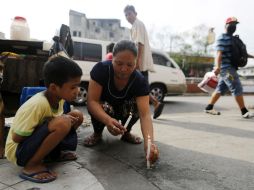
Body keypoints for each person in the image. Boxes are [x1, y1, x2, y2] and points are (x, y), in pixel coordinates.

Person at [5, 56, 84, 183]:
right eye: (73, 87)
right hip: (18, 151)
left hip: (32, 144)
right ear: (53, 88)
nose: (77, 91)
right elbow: (16, 138)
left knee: (77, 115)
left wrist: (53, 122)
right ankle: (31, 165)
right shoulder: (38, 104)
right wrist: (50, 123)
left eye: (78, 86)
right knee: (63, 123)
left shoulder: (59, 98)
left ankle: (54, 154)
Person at [83, 40, 159, 165]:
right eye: (119, 63)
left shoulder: (140, 80)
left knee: (136, 106)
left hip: (125, 110)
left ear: (136, 62)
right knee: (102, 106)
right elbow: (92, 102)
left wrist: (149, 142)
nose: (124, 69)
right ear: (112, 58)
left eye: (130, 65)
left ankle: (126, 132)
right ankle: (97, 133)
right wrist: (108, 120)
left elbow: (145, 115)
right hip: (105, 110)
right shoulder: (101, 69)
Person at [204, 17, 254, 118]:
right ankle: (244, 111)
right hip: (226, 70)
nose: (233, 26)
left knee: (220, 89)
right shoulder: (222, 37)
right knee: (236, 86)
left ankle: (209, 108)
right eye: (231, 24)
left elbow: (242, 53)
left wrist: (252, 56)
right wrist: (218, 67)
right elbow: (219, 53)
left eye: (235, 25)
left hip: (229, 69)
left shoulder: (234, 39)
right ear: (226, 26)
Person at [124, 5, 164, 119]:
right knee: (139, 87)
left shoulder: (138, 24)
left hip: (140, 63)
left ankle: (151, 107)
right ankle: (154, 105)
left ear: (135, 13)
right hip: (139, 62)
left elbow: (139, 44)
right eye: (126, 15)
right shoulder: (134, 26)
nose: (128, 16)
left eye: (129, 14)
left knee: (140, 87)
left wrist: (137, 62)